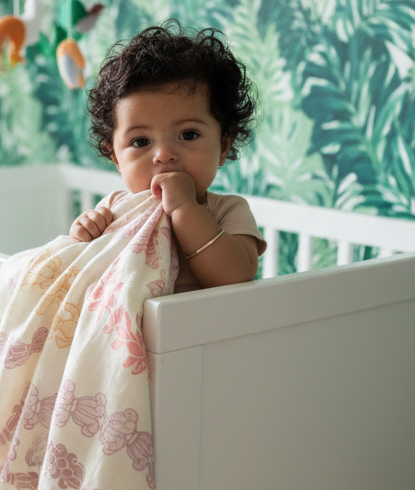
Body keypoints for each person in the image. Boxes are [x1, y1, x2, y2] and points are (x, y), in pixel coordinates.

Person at [70, 22, 267, 292]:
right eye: (141, 141)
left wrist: (185, 208)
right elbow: (85, 277)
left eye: (188, 135)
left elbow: (234, 277)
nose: (163, 155)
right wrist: (83, 234)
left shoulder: (227, 212)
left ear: (223, 146)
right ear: (115, 156)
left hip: (205, 332)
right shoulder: (115, 210)